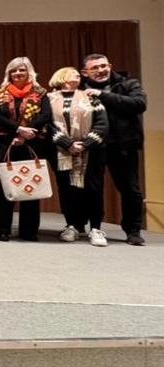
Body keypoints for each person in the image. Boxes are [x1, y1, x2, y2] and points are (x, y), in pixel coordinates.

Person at [80, 54, 148, 246]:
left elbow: (139, 104)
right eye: (95, 68)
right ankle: (93, 228)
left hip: (123, 146)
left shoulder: (128, 84)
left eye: (104, 66)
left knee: (131, 190)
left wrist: (102, 95)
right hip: (93, 146)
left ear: (110, 66)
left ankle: (133, 231)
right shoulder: (79, 90)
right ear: (85, 72)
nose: (101, 70)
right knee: (92, 190)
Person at [0, 57, 52, 242]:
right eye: (14, 70)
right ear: (9, 74)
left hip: (32, 142)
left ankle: (29, 231)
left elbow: (46, 115)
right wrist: (18, 130)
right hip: (5, 143)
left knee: (30, 185)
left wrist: (25, 134)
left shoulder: (40, 93)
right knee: (6, 186)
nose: (17, 73)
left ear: (29, 72)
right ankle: (2, 229)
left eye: (21, 70)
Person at [47, 67, 109, 246]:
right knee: (66, 188)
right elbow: (47, 124)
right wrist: (67, 143)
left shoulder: (90, 97)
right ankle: (72, 225)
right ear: (62, 77)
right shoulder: (49, 99)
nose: (78, 74)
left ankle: (95, 228)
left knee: (93, 188)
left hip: (91, 151)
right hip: (61, 151)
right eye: (72, 72)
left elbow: (102, 123)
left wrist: (85, 144)